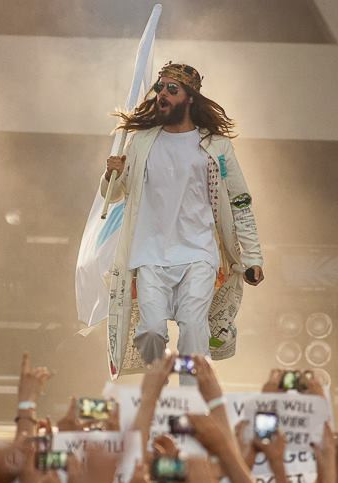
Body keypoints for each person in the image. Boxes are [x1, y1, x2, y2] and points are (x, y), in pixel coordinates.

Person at [100, 61, 264, 378]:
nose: (162, 94)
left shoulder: (215, 146)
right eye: (159, 87)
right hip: (149, 254)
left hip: (198, 253)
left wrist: (253, 257)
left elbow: (240, 202)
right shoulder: (142, 142)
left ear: (189, 98)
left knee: (193, 326)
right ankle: (157, 390)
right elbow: (115, 193)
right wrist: (111, 174)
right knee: (150, 332)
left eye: (171, 89)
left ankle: (192, 398)